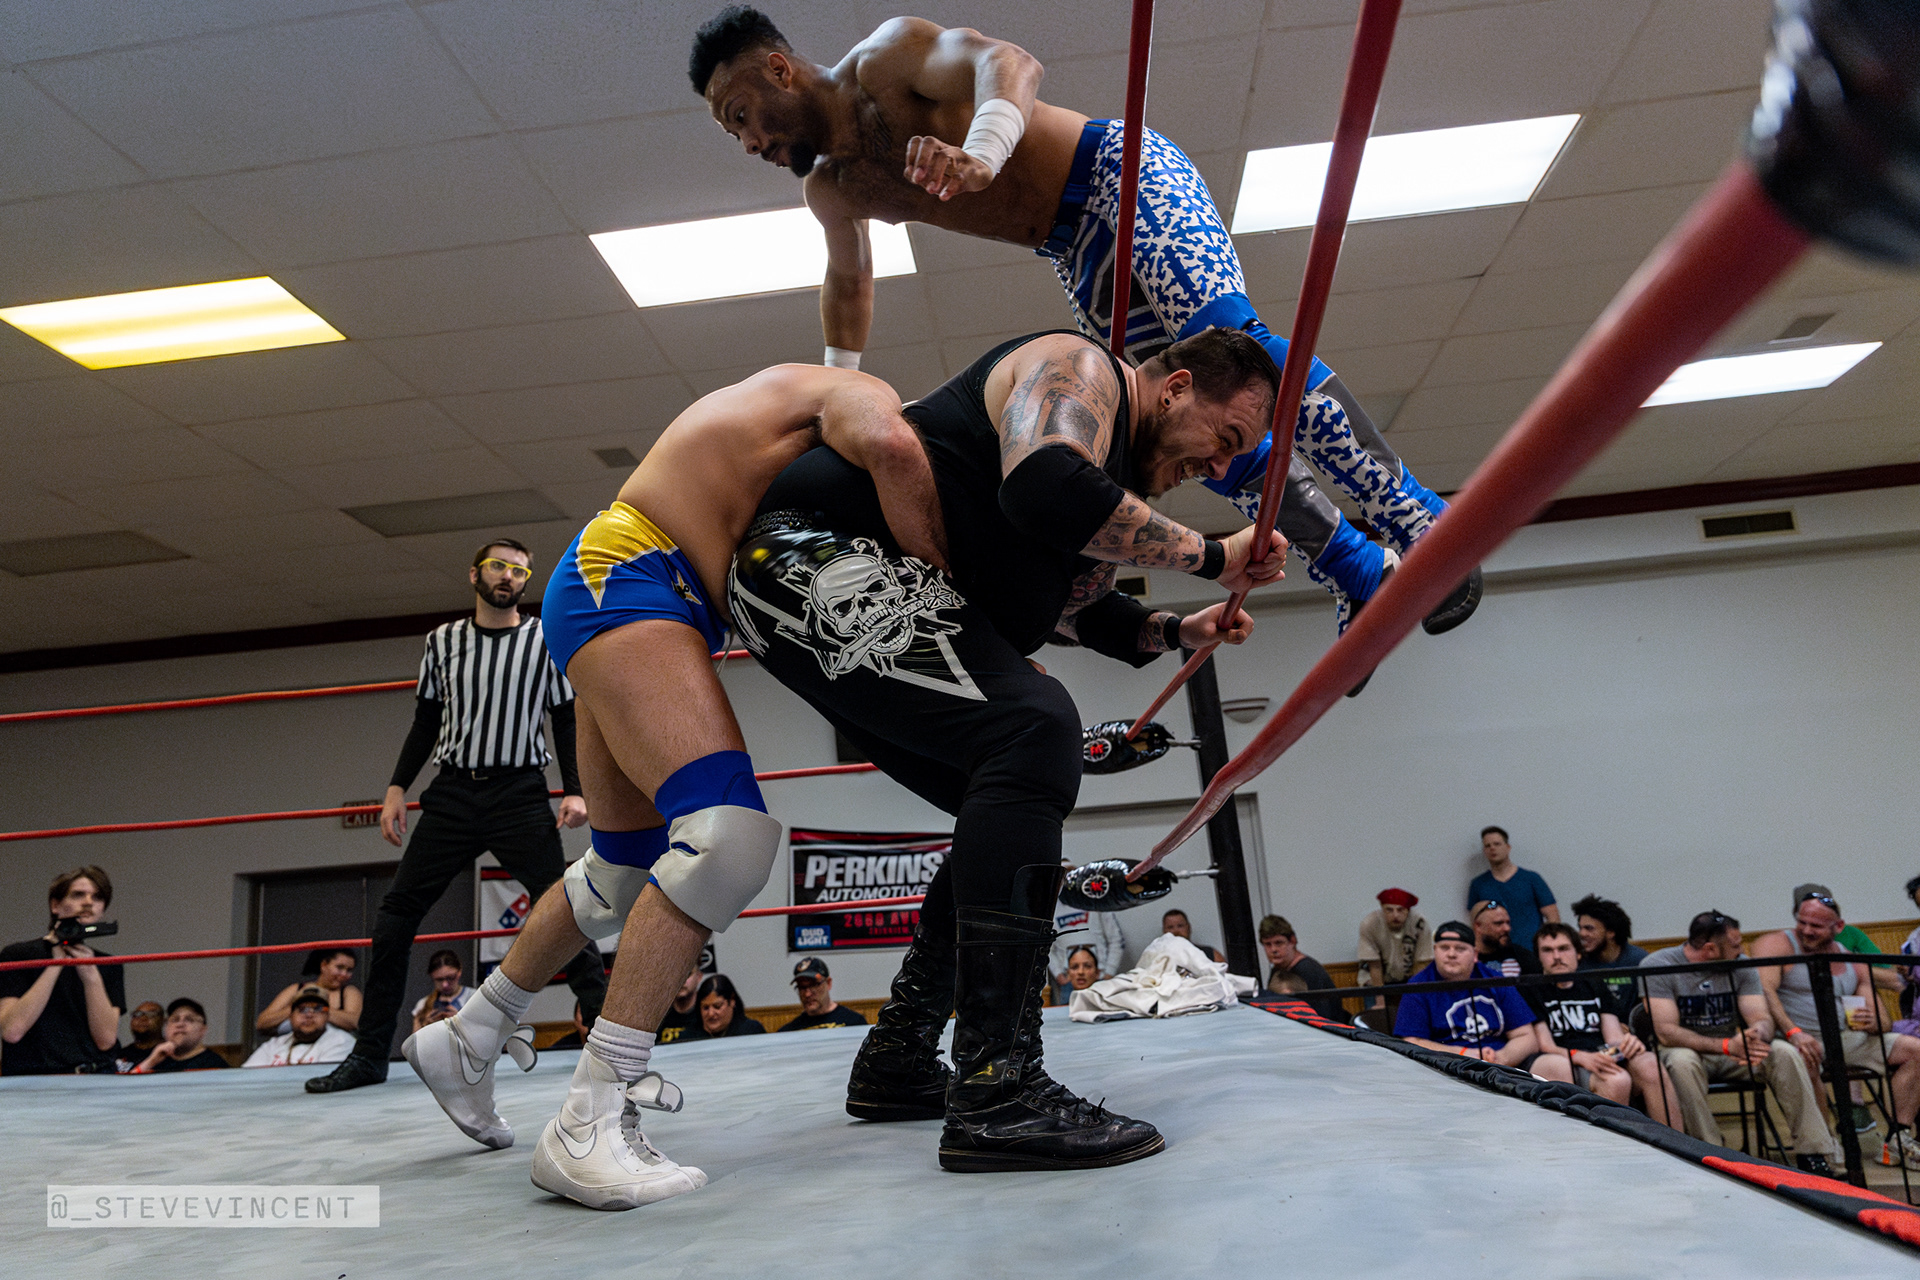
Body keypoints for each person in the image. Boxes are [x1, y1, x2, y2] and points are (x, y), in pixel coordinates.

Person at [691, 7, 1481, 639]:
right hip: (1073, 248)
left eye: (742, 114)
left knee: (1242, 356)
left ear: (779, 69)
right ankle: (1353, 566)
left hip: (1118, 173)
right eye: (733, 135)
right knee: (1179, 423)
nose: (750, 142)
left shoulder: (887, 59)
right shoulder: (833, 188)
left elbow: (1011, 63)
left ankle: (1421, 518)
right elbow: (849, 282)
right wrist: (835, 392)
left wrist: (983, 152)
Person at [732, 325, 1282, 1172]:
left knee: (1001, 800)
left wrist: (1177, 629)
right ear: (1174, 388)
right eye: (1226, 437)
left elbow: (1076, 606)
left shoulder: (1106, 475)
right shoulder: (1082, 370)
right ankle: (998, 1089)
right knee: (1036, 729)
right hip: (812, 556)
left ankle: (902, 1056)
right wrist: (1213, 555)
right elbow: (1044, 487)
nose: (1218, 466)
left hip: (834, 579)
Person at [403, 364, 942, 1209]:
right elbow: (889, 440)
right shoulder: (867, 402)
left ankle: (471, 1033)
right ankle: (590, 1118)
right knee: (724, 838)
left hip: (621, 584)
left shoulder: (799, 412)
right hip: (633, 577)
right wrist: (940, 570)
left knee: (621, 869)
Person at [307, 539, 608, 1097]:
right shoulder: (442, 641)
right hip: (452, 793)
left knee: (565, 908)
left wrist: (575, 789)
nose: (508, 577)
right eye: (498, 566)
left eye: (519, 571)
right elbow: (425, 720)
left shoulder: (542, 637)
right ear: (475, 574)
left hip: (519, 793)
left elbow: (565, 717)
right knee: (395, 917)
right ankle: (369, 1055)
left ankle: (609, 1036)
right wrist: (396, 788)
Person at [1641, 911, 1841, 1176]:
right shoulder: (1659, 965)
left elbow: (1760, 1016)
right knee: (1681, 1062)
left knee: (1784, 1052)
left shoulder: (1741, 965)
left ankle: (1813, 1153)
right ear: (1711, 949)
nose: (1742, 950)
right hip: (1691, 1050)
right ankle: (1710, 1153)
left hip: (1736, 1050)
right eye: (1735, 945)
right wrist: (1726, 1045)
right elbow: (1666, 1032)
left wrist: (1755, 1034)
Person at [1751, 888, 1920, 1170]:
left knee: (1915, 1050)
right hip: (1798, 1038)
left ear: (1838, 927)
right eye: (1802, 922)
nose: (1807, 930)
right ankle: (1826, 1144)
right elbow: (1765, 991)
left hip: (1846, 1037)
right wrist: (1793, 1032)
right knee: (1804, 1057)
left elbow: (1881, 1018)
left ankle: (1897, 1138)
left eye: (1816, 926)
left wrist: (1875, 1022)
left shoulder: (1847, 956)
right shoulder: (1777, 944)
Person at [1528, 924, 1678, 1127]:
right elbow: (1545, 1045)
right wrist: (1579, 1056)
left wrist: (1626, 1044)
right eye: (1547, 950)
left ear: (1578, 953)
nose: (1556, 956)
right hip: (1565, 1059)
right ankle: (1618, 1144)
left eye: (1563, 949)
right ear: (1538, 957)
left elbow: (1613, 1037)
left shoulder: (1594, 983)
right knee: (1617, 1080)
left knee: (1650, 1064)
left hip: (1601, 1054)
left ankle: (1673, 1140)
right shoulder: (1533, 990)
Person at [0, 866, 124, 1076]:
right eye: (78, 895)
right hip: (33, 1080)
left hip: (95, 1076)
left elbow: (105, 1040)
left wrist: (91, 976)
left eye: (97, 897)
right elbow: (12, 1031)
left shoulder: (108, 964)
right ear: (55, 905)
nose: (88, 902)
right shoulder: (18, 954)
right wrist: (55, 964)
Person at [1393, 922, 1555, 1073]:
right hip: (1445, 1067)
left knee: (1556, 1065)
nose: (1451, 954)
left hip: (1501, 1064)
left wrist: (1501, 1059)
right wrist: (1463, 1054)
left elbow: (1526, 1037)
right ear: (1435, 951)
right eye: (1444, 948)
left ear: (1475, 954)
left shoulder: (1496, 980)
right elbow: (1412, 1041)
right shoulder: (1418, 986)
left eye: (1460, 949)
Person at [1466, 827, 1558, 950]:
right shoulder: (1478, 884)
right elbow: (1475, 921)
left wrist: (1549, 946)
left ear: (1508, 847)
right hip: (1495, 952)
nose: (1492, 848)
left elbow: (1552, 917)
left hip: (1531, 950)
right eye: (1487, 846)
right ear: (1484, 851)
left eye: (1497, 844)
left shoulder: (1531, 879)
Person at [1356, 888, 1432, 1021]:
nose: (1395, 915)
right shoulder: (1370, 924)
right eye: (1389, 910)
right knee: (1376, 1018)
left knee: (1416, 1014)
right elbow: (1375, 966)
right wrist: (1380, 1002)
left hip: (1408, 976)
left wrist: (1415, 996)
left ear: (1408, 910)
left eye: (1400, 910)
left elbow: (1421, 963)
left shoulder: (1419, 923)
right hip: (1374, 979)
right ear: (1382, 908)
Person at [1572, 894, 1648, 1020]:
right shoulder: (1578, 962)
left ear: (1611, 932)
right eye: (1580, 928)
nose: (1582, 933)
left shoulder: (1639, 960)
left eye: (1589, 928)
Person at [258, 948, 360, 1036]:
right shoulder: (296, 989)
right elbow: (262, 1022)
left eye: (349, 970)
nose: (344, 974)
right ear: (324, 965)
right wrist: (298, 1006)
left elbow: (355, 1022)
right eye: (339, 967)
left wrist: (318, 1007)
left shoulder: (349, 992)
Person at [1259, 915, 1342, 1022]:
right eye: (1267, 944)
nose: (1273, 949)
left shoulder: (1309, 970)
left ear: (1292, 941)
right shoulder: (1277, 968)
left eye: (1279, 943)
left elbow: (1321, 1017)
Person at [245, 988, 355, 1068]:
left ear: (327, 1016)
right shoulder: (273, 1045)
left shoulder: (342, 1042)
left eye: (317, 1009)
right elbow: (246, 1077)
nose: (309, 1015)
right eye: (302, 1009)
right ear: (290, 1016)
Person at [1049, 893, 1124, 1006]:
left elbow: (1116, 939)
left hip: (1099, 978)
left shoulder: (1097, 901)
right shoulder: (1051, 908)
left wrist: (1109, 971)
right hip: (1069, 982)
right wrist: (1058, 973)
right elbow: (1046, 947)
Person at [131, 998, 231, 1073]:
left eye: (189, 1019)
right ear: (166, 1028)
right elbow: (126, 1090)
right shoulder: (156, 1061)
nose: (180, 1024)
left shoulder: (215, 1066)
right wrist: (150, 1062)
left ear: (203, 1030)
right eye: (175, 1020)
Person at [776, 958, 869, 1032]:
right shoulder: (790, 1032)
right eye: (802, 988)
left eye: (814, 986)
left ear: (828, 983)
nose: (807, 994)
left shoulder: (854, 1023)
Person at [411, 950, 478, 1034]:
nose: (445, 985)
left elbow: (484, 1035)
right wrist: (427, 1027)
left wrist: (460, 1021)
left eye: (450, 978)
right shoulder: (423, 1004)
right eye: (439, 980)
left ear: (459, 971)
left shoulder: (475, 998)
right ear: (431, 977)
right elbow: (415, 1041)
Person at [1470, 901, 1542, 979]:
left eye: (1508, 923)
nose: (1507, 928)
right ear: (1478, 926)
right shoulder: (1466, 959)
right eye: (1498, 923)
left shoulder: (1523, 957)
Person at [690, 975, 767, 1039]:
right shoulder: (690, 1037)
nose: (710, 1014)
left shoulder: (752, 1031)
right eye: (705, 1008)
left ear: (732, 1001)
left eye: (717, 1006)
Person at [112, 1000, 166, 1073]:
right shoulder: (120, 1055)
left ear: (163, 1021)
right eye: (137, 1014)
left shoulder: (170, 1053)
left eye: (151, 1014)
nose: (143, 1018)